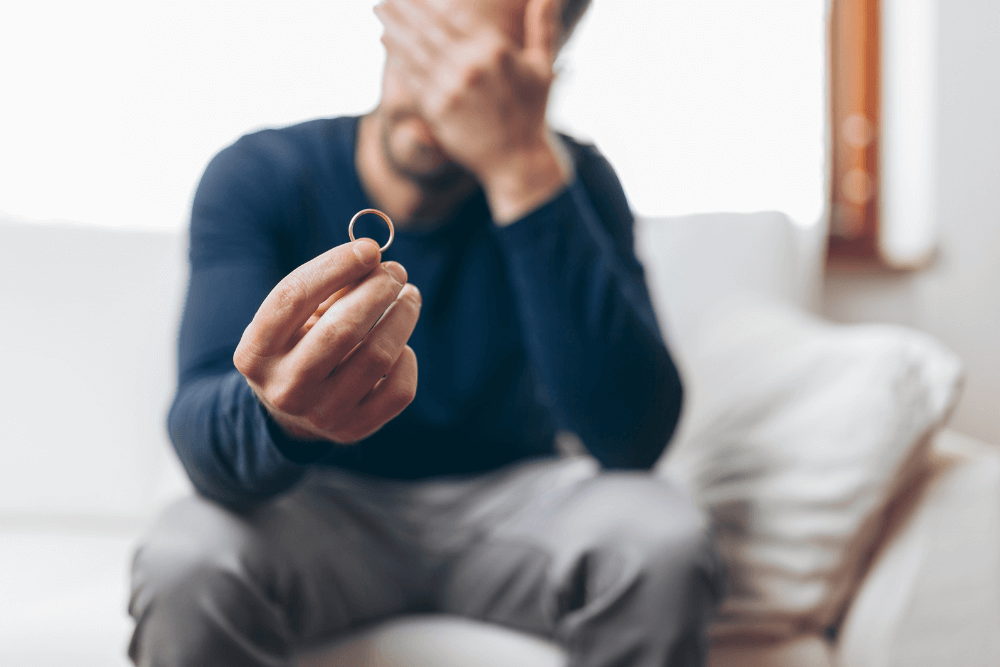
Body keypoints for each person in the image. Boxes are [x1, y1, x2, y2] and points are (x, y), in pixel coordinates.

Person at [128, 0, 725, 665]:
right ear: (392, 27)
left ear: (538, 75)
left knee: (664, 541)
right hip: (318, 506)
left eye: (483, 66)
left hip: (516, 504)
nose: (448, 87)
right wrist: (280, 414)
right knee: (184, 559)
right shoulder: (260, 175)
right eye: (436, 45)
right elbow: (199, 429)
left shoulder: (575, 182)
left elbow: (633, 437)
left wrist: (521, 166)